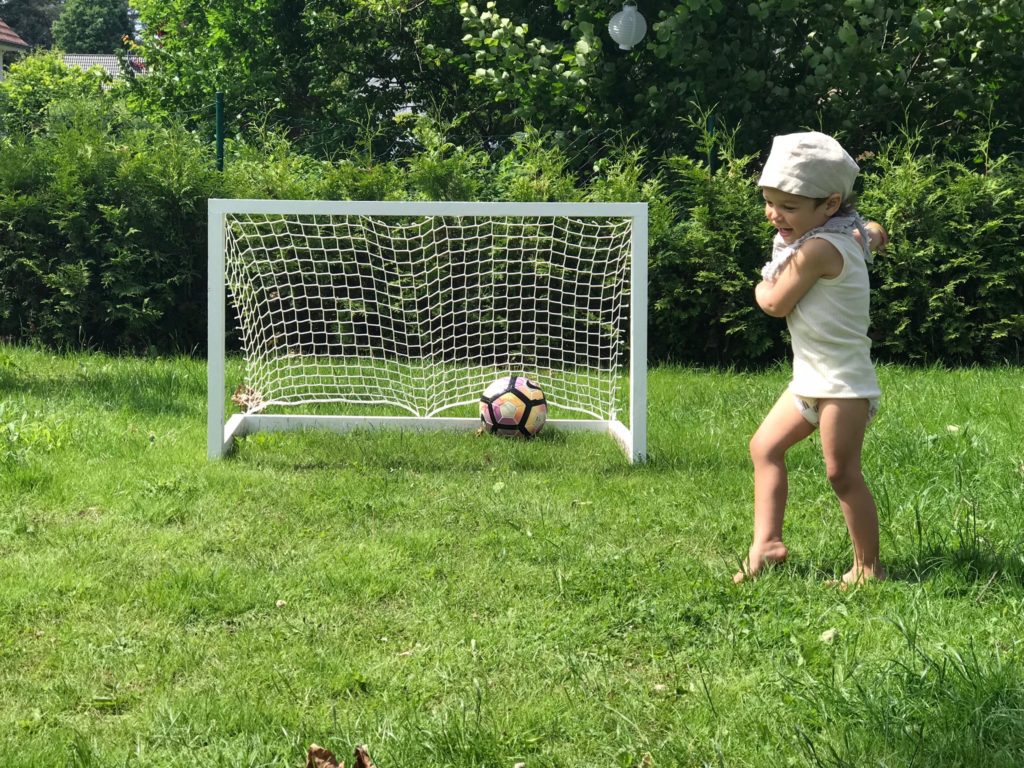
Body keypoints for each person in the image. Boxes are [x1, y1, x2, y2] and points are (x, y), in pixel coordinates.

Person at [734, 131, 889, 586]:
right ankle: (767, 543)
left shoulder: (818, 248)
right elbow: (873, 232)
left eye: (787, 206)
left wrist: (759, 287)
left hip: (843, 384)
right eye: (769, 201)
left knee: (842, 473)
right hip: (809, 380)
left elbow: (776, 302)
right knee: (764, 447)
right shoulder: (843, 230)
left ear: (829, 204)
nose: (773, 214)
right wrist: (875, 233)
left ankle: (868, 567)